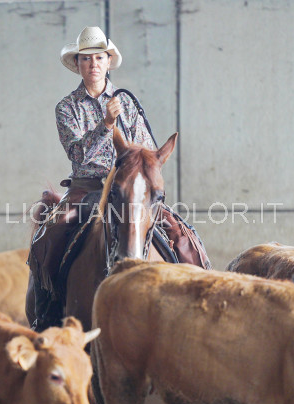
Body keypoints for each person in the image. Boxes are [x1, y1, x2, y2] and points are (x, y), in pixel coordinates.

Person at [28, 27, 209, 332]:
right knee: (52, 233)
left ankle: (200, 300)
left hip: (129, 186)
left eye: (99, 57)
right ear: (78, 64)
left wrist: (139, 166)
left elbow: (147, 150)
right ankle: (45, 312)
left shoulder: (129, 104)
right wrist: (106, 124)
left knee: (180, 233)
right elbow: (77, 155)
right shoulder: (67, 108)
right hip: (86, 188)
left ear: (108, 62)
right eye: (86, 59)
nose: (93, 64)